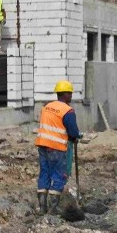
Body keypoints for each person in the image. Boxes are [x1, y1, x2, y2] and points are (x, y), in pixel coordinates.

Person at [35, 80, 81, 214]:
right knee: (59, 175)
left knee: (44, 173)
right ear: (65, 94)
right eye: (70, 93)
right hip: (56, 147)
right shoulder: (67, 111)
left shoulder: (46, 107)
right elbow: (73, 132)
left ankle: (42, 207)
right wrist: (74, 137)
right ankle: (53, 208)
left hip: (42, 144)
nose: (71, 96)